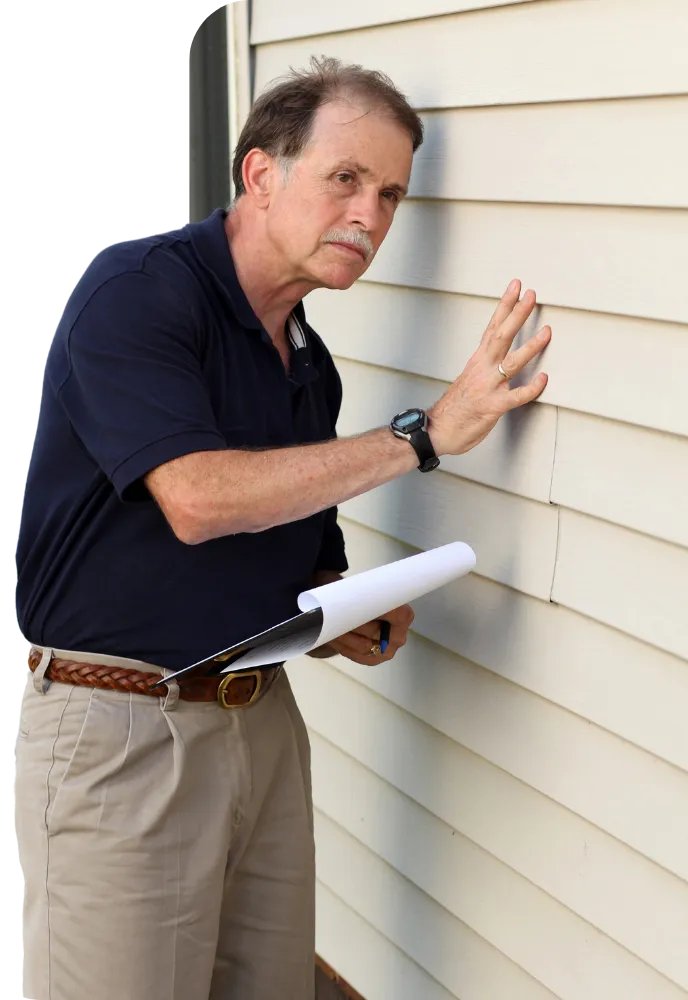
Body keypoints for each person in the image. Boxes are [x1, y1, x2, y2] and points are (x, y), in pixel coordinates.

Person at [14, 56, 551, 1000]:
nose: (371, 217)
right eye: (346, 178)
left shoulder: (310, 368)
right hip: (123, 731)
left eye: (390, 195)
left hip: (260, 723)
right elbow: (200, 499)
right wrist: (423, 437)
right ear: (261, 173)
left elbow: (300, 566)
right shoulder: (139, 290)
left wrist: (350, 621)